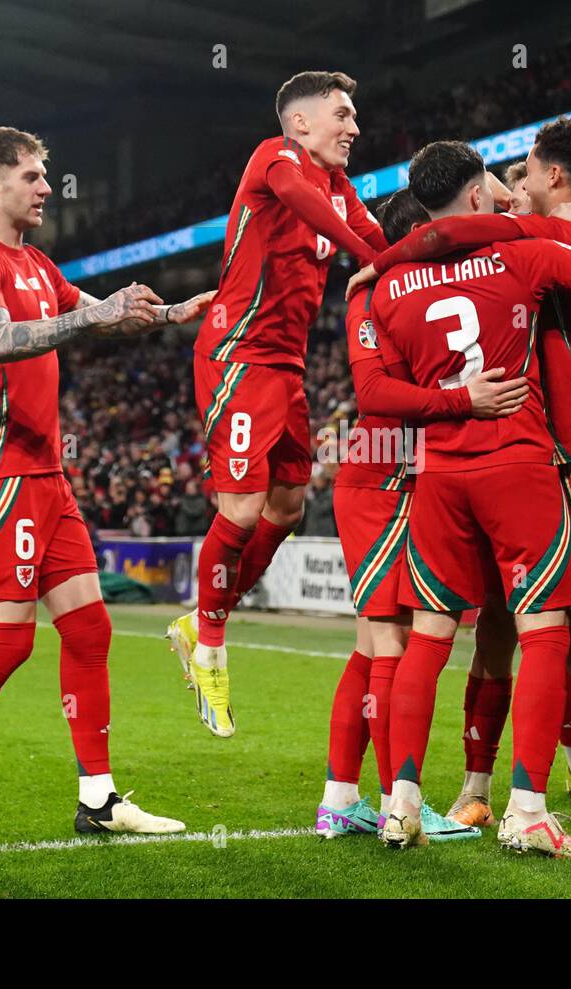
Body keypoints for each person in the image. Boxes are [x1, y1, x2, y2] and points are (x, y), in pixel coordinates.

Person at [355, 117, 571, 849]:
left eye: (525, 172)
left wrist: (384, 261)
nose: (514, 188)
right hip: (546, 460)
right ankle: (540, 789)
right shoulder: (550, 240)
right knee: (559, 635)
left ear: (553, 177)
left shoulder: (540, 240)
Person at [0, 126, 212, 841]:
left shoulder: (36, 261)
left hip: (45, 471)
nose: (47, 188)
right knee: (9, 642)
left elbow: (98, 315)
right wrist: (87, 313)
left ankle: (98, 798)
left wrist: (167, 312)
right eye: (34, 176)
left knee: (89, 626)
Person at [171, 70, 390, 738]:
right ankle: (209, 645)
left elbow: (379, 240)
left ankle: (202, 615)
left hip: (286, 367)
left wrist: (420, 265)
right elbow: (312, 208)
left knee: (289, 506)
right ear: (300, 122)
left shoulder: (342, 188)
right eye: (342, 115)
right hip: (237, 354)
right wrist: (365, 256)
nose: (354, 128)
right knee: (239, 506)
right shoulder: (276, 158)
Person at [317, 188, 525, 842]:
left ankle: (341, 798)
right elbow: (377, 394)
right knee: (391, 643)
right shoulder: (373, 290)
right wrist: (465, 398)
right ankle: (392, 802)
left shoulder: (400, 286)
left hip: (402, 473)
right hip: (381, 475)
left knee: (372, 643)